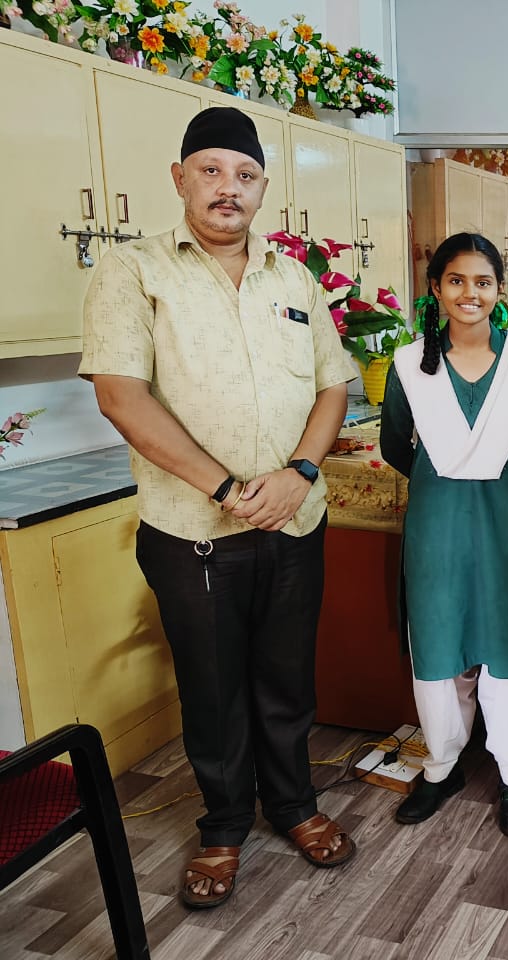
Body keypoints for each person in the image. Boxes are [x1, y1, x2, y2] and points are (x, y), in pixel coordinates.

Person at [79, 106, 357, 909]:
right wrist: (228, 489)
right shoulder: (134, 270)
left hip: (295, 521)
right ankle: (225, 826)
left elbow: (333, 385)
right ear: (180, 179)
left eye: (244, 175)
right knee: (213, 688)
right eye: (211, 171)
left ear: (263, 189)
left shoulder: (294, 278)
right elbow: (120, 395)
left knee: (286, 679)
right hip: (195, 529)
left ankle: (294, 806)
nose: (227, 188)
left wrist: (301, 472)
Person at [379, 232, 508, 836]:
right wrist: (442, 480)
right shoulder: (409, 364)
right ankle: (441, 766)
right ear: (436, 288)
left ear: (500, 290)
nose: (469, 293)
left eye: (483, 282)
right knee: (437, 645)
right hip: (436, 527)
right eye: (456, 281)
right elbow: (395, 444)